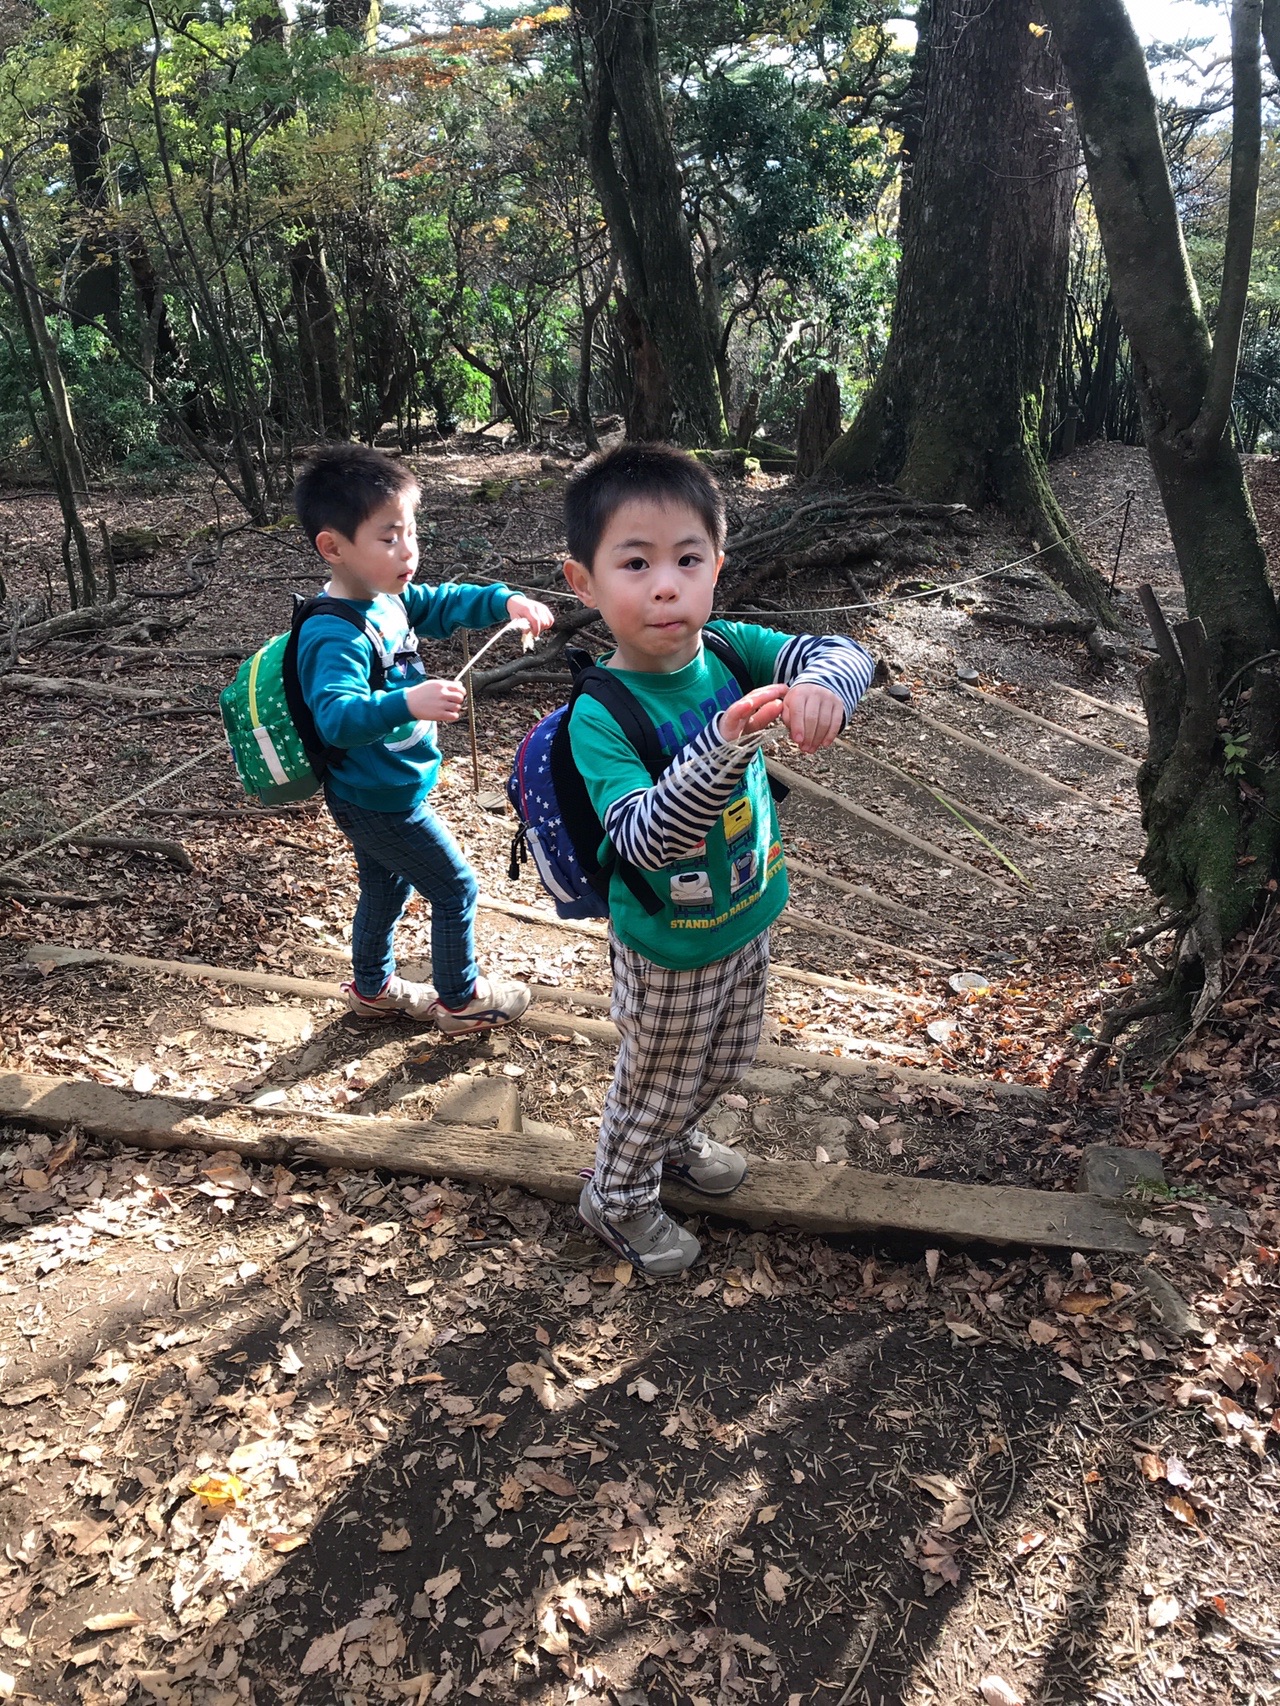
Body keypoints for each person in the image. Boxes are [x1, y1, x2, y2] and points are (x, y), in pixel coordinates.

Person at [562, 442, 876, 1275]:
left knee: (731, 1056)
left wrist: (826, 688)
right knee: (656, 1077)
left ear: (715, 568)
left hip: (747, 916)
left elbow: (845, 651)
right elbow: (642, 838)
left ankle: (670, 1143)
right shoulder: (600, 714)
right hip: (668, 944)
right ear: (583, 583)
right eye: (635, 562)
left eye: (686, 559)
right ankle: (618, 1197)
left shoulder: (731, 649)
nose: (665, 584)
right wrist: (724, 745)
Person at [293, 443, 553, 1033]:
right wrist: (408, 701)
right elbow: (335, 715)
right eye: (388, 538)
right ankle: (461, 1000)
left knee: (385, 886)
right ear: (333, 547)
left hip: (387, 790)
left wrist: (505, 599)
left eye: (410, 532)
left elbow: (444, 602)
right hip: (374, 798)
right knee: (456, 887)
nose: (407, 550)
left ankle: (373, 988)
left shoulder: (388, 598)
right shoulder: (334, 634)